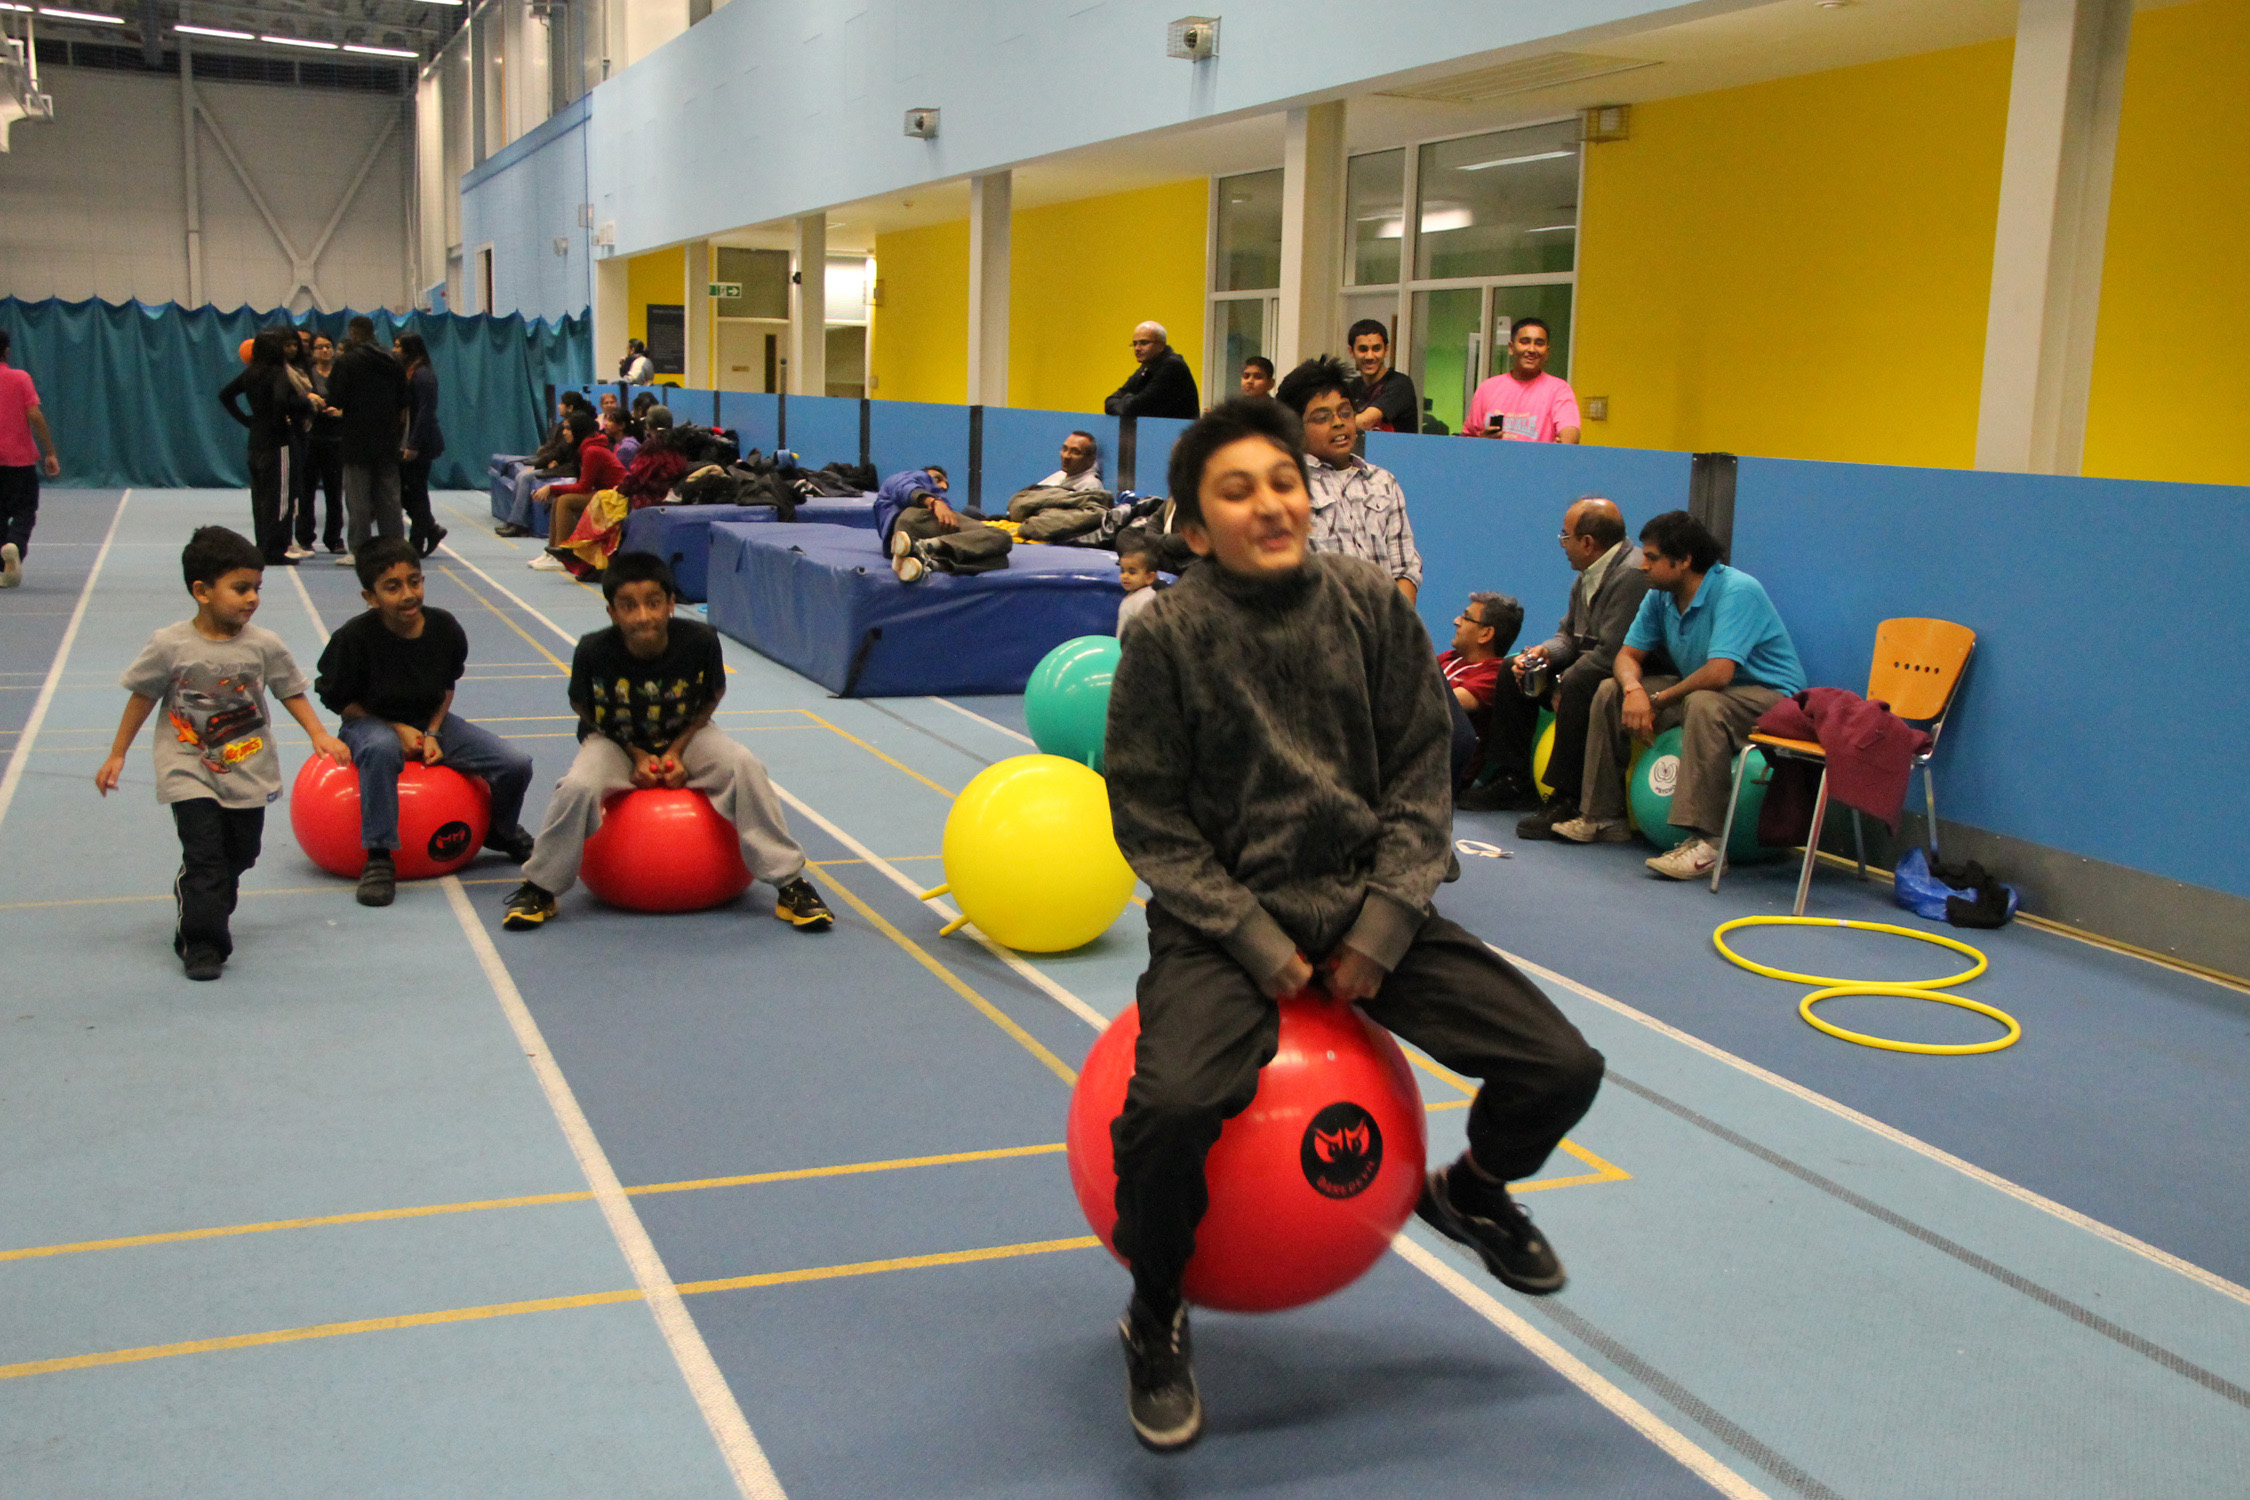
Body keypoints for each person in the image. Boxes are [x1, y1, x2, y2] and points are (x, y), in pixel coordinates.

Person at [1102, 397, 1605, 1451]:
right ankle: (1155, 1312)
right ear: (1197, 529)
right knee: (1169, 1110)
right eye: (1237, 492)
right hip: (1223, 922)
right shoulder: (1168, 638)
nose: (1270, 504)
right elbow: (1149, 815)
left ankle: (1473, 1193)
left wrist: (1381, 926)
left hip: (1368, 896)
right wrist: (1253, 941)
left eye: (1283, 482)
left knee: (1560, 1067)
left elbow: (1424, 777)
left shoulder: (1371, 606)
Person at [499, 552, 835, 935]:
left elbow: (712, 694)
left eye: (653, 603)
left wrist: (676, 750)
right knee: (577, 786)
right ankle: (540, 886)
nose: (643, 616)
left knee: (745, 766)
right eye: (629, 606)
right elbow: (584, 707)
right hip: (616, 741)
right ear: (612, 612)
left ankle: (790, 883)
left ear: (671, 604)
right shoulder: (593, 650)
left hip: (687, 735)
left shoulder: (701, 641)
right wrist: (635, 754)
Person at [94, 526, 350, 981]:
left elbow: (289, 690)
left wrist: (318, 734)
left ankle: (201, 897)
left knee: (241, 853)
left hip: (247, 766)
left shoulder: (263, 645)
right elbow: (142, 696)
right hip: (187, 766)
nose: (252, 598)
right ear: (202, 591)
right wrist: (117, 753)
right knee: (206, 856)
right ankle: (202, 943)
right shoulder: (170, 645)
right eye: (241, 588)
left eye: (257, 588)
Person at [1558, 510, 1807, 879]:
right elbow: (1627, 656)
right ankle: (1602, 817)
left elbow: (1719, 674)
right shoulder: (1660, 594)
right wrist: (1633, 690)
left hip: (1771, 700)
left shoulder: (1738, 590)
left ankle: (1708, 845)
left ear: (1685, 560)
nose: (1643, 565)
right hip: (1706, 691)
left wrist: (1657, 700)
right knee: (1611, 690)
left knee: (1703, 703)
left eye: (1652, 557)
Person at [314, 538, 536, 905]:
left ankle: (501, 830)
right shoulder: (353, 639)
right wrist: (394, 728)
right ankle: (380, 855)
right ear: (370, 597)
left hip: (430, 721)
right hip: (368, 721)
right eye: (392, 587)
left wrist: (432, 730)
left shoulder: (443, 627)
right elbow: (339, 701)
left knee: (515, 764)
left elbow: (447, 685)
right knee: (381, 749)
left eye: (414, 581)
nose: (408, 594)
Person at [1503, 497, 1652, 839]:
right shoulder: (1586, 575)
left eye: (1565, 537)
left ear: (1587, 543)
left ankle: (1566, 797)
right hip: (1588, 664)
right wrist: (1543, 653)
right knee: (1513, 668)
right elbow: (1568, 637)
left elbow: (1612, 652)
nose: (1562, 545)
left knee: (1578, 682)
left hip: (1619, 670)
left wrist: (1560, 681)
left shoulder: (1631, 575)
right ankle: (1511, 780)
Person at [1274, 356, 1422, 603]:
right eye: (1322, 418)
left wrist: (1397, 621)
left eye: (1345, 413)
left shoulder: (1382, 482)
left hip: (1383, 619)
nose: (1338, 423)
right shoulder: (1289, 487)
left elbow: (1405, 568)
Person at [219, 328, 315, 567]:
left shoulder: (251, 373)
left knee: (261, 496)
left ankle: (263, 544)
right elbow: (282, 399)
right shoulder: (277, 373)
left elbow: (225, 395)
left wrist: (247, 420)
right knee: (281, 497)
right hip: (278, 442)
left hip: (256, 440)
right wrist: (303, 407)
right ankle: (275, 549)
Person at [557, 408, 690, 574]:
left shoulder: (653, 445)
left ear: (648, 424)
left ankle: (584, 552)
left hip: (647, 497)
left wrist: (621, 490)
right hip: (665, 494)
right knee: (606, 500)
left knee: (603, 502)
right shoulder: (678, 443)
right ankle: (583, 552)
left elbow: (637, 475)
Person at [326, 316, 410, 564]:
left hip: (356, 438)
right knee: (390, 498)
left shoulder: (347, 360)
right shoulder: (393, 360)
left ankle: (360, 550)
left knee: (358, 499)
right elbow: (404, 402)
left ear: (353, 333)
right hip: (387, 438)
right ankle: (394, 549)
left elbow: (336, 398)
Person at [1440, 592, 1526, 810]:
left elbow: (1443, 703)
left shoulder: (1494, 674)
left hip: (1444, 770)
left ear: (1485, 633)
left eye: (1465, 617)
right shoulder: (1449, 659)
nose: (1456, 621)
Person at [876, 464, 1011, 583]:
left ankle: (929, 563)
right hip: (914, 518)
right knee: (1002, 537)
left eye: (946, 484)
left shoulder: (942, 504)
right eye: (938, 479)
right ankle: (921, 546)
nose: (944, 486)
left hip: (904, 538)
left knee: (999, 559)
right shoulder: (914, 477)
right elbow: (902, 487)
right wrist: (934, 502)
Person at [0, 328, 62, 589]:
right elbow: (34, 415)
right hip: (20, 462)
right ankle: (14, 545)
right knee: (25, 510)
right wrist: (50, 452)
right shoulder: (20, 378)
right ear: (6, 351)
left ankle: (3, 564)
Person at [527, 410, 621, 571]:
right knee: (559, 499)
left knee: (565, 501)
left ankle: (562, 553)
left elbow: (583, 487)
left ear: (578, 430)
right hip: (604, 493)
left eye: (568, 429)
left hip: (615, 496)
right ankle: (552, 551)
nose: (564, 432)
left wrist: (551, 488)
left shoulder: (592, 451)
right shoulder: (584, 448)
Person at [1465, 318, 1580, 444]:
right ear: (1511, 347)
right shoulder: (1487, 388)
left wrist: (1566, 444)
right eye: (1525, 342)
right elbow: (1467, 440)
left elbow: (1570, 432)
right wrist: (1483, 442)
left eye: (1539, 343)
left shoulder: (1559, 389)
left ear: (1547, 351)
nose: (1531, 349)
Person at [498, 391, 589, 538]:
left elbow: (566, 458)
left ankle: (518, 524)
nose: (558, 406)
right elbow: (558, 449)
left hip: (566, 470)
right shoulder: (566, 427)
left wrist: (543, 467)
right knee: (522, 475)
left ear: (570, 407)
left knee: (525, 477)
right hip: (561, 465)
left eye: (562, 403)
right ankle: (514, 521)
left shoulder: (580, 431)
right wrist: (540, 462)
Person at [395, 333, 448, 558]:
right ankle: (430, 528)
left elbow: (425, 412)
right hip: (408, 439)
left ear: (409, 349)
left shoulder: (423, 375)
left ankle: (417, 542)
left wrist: (413, 444)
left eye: (398, 346)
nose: (395, 350)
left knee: (416, 491)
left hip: (421, 442)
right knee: (406, 490)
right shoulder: (409, 372)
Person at [299, 333, 346, 555]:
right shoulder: (305, 374)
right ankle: (304, 537)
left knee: (334, 493)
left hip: (335, 439)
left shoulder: (341, 374)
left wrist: (340, 412)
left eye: (328, 346)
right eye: (320, 347)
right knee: (306, 492)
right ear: (313, 351)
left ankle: (334, 539)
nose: (325, 350)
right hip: (311, 439)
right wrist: (310, 401)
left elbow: (350, 400)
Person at [1103, 322, 1199, 420]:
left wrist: (1126, 399)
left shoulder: (1173, 366)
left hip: (1176, 429)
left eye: (1144, 343)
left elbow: (1137, 407)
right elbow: (1110, 401)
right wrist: (1129, 400)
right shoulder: (1147, 365)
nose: (1137, 348)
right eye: (1135, 344)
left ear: (1161, 345)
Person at [1343, 319, 1418, 435]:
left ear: (1386, 350)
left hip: (1397, 447)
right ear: (1351, 352)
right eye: (1363, 349)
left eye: (1376, 348)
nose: (1370, 356)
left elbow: (1364, 422)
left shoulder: (1401, 384)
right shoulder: (1352, 387)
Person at [1115, 535, 1162, 636]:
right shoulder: (1135, 596)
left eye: (1132, 572)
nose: (1125, 576)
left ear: (1149, 577)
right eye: (1122, 571)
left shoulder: (1145, 600)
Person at [1036, 430, 1104, 492]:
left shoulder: (1092, 486)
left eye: (1075, 452)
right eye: (1064, 449)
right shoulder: (1059, 475)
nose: (1066, 456)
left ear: (1090, 459)